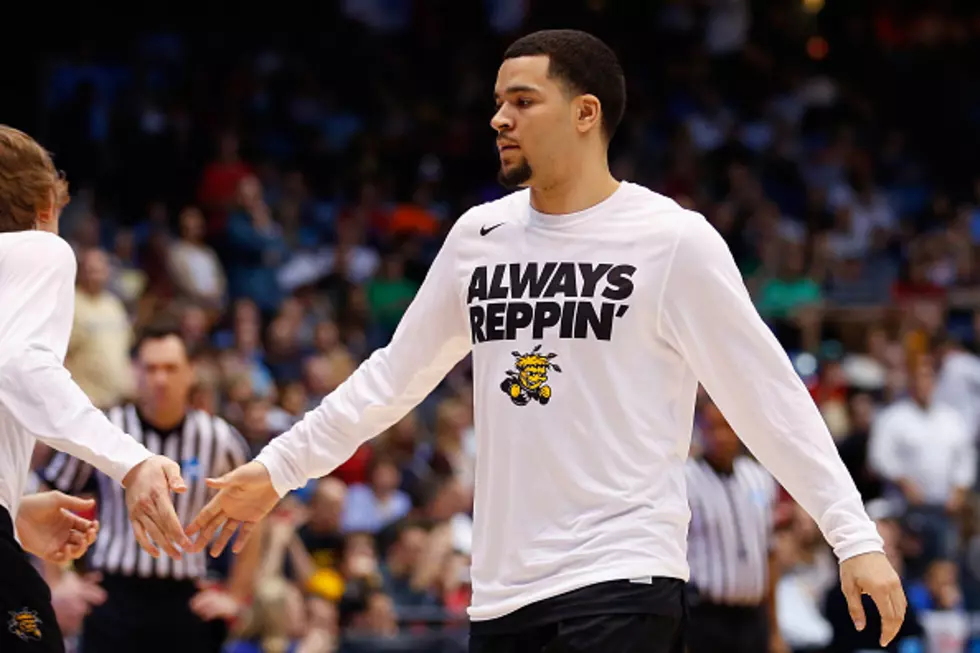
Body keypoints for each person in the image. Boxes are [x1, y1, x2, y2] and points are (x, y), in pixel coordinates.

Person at [187, 30, 907, 653]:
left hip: (622, 575)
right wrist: (280, 466)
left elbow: (768, 397)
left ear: (586, 113)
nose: (500, 118)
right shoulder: (479, 237)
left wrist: (855, 536)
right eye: (498, 102)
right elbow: (391, 378)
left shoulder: (671, 239)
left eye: (523, 101)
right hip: (502, 590)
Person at [0, 124, 191, 653]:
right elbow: (18, 365)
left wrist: (13, 509)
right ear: (43, 207)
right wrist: (130, 461)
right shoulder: (39, 249)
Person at [41, 325, 257, 653]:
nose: (160, 379)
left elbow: (255, 511)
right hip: (114, 595)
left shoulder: (219, 437)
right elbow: (49, 490)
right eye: (150, 368)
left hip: (186, 599)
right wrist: (58, 581)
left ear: (191, 372)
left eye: (170, 368)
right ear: (134, 371)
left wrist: (236, 593)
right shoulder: (106, 428)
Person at [685, 400, 786, 653]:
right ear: (699, 428)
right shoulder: (686, 479)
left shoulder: (759, 478)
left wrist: (775, 628)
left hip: (753, 615)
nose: (721, 436)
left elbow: (769, 554)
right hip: (705, 616)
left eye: (728, 427)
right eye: (713, 427)